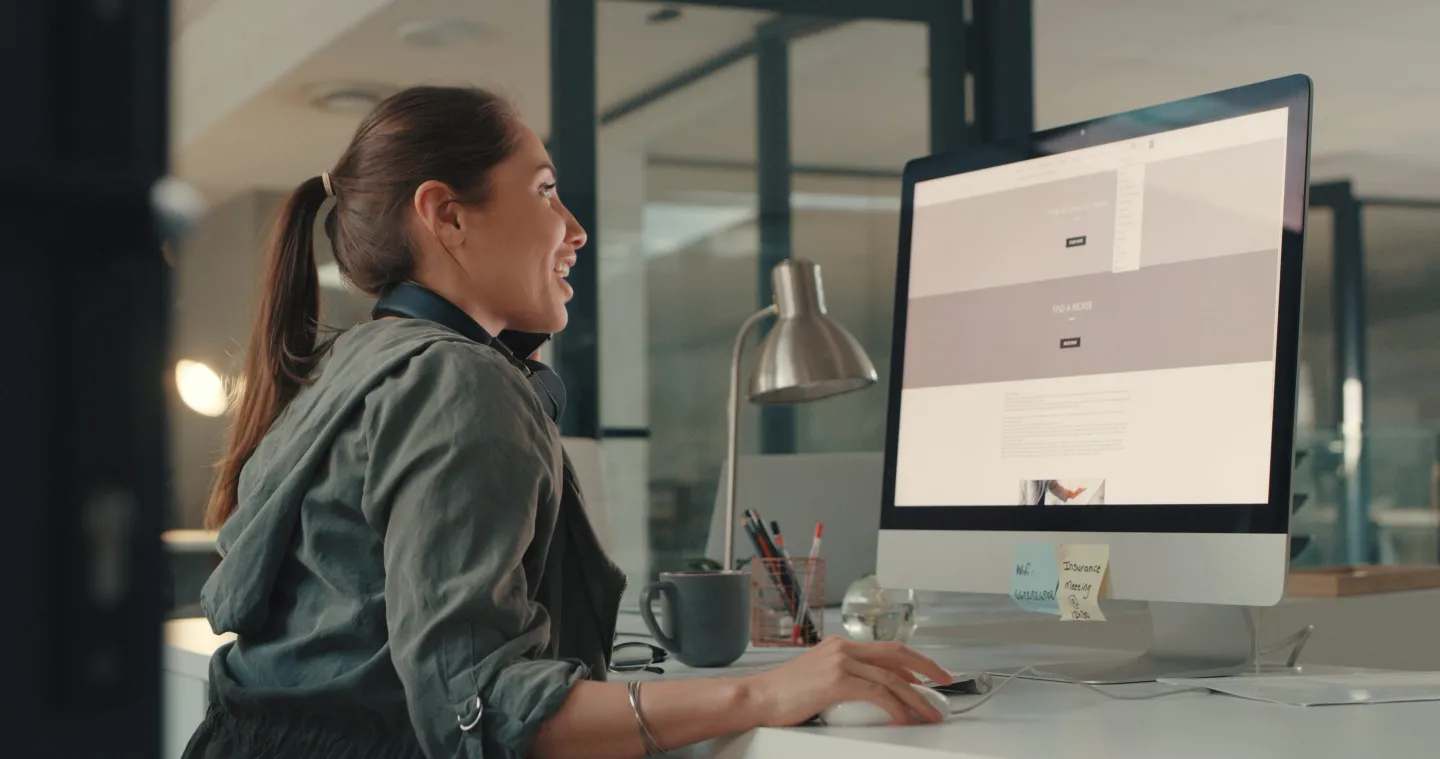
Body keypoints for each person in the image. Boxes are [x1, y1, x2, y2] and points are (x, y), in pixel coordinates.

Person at [183, 85, 952, 759]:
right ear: (447, 215)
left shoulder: (353, 364)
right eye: (547, 191)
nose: (576, 229)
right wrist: (764, 694)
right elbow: (476, 708)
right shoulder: (457, 378)